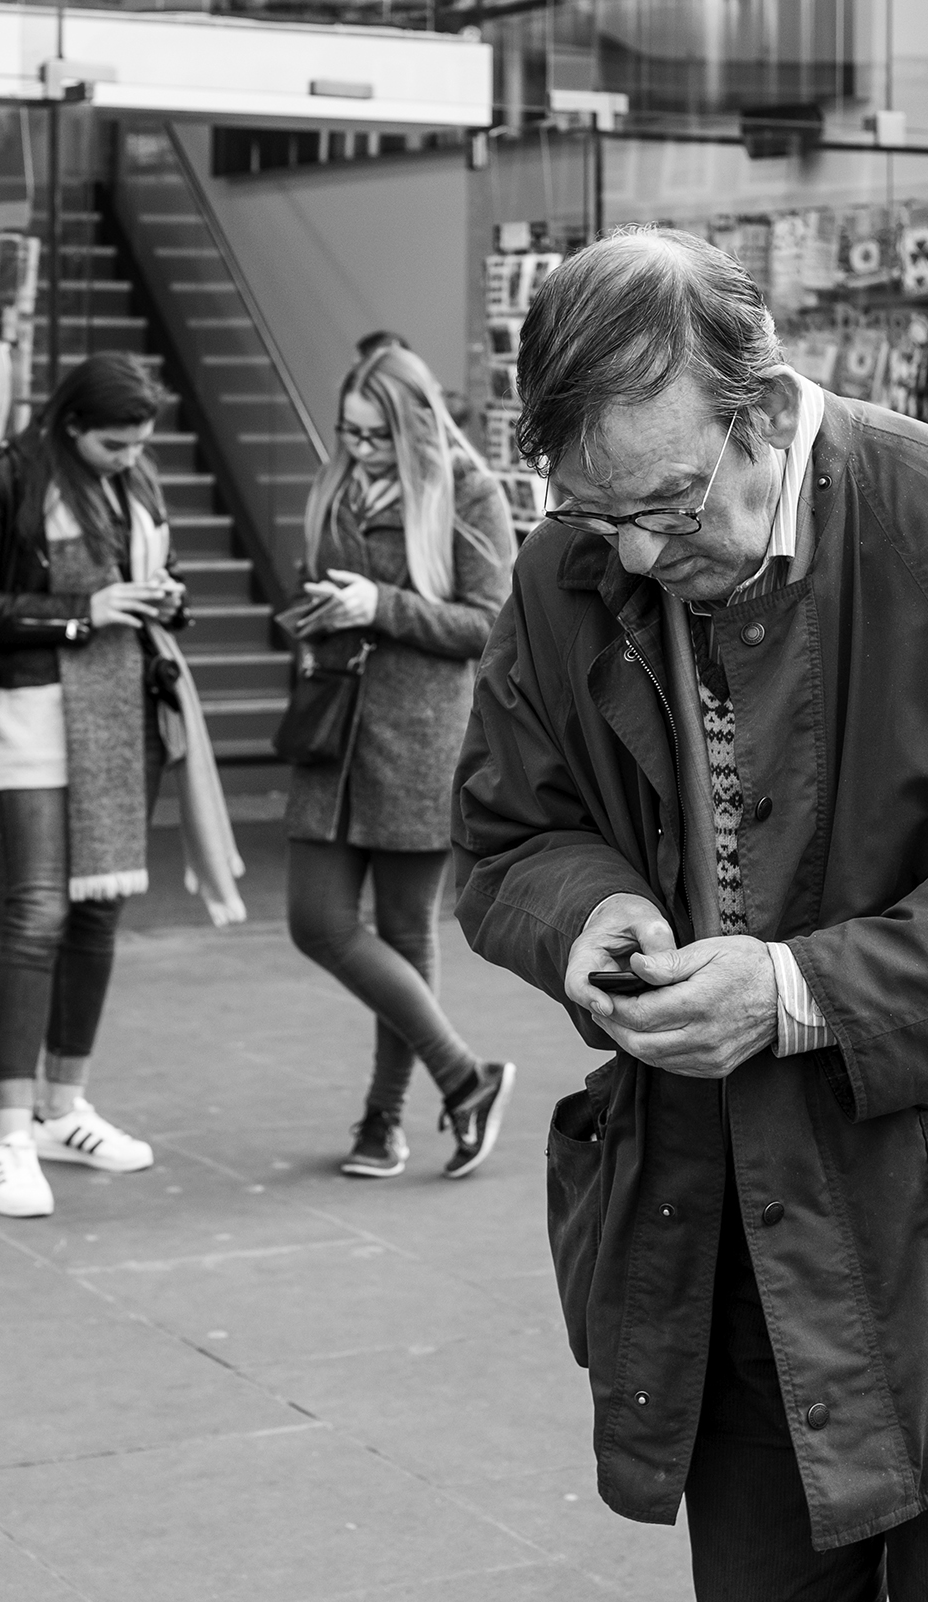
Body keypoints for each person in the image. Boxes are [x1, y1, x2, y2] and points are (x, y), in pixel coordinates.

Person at [451, 229, 928, 1599]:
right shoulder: (571, 569)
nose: (635, 547)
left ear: (761, 409)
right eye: (594, 511)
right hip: (726, 1255)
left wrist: (797, 989)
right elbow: (512, 833)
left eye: (672, 503)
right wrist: (591, 916)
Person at [0, 353, 193, 1220]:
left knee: (98, 909)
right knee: (39, 908)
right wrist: (81, 614)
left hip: (120, 710)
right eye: (114, 443)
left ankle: (62, 1103)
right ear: (71, 425)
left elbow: (144, 582)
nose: (128, 456)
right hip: (33, 711)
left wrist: (160, 601)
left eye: (139, 444)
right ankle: (11, 1128)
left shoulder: (137, 483)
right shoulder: (5, 478)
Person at [284, 345, 518, 1181]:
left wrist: (377, 604)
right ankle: (466, 1078)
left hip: (418, 736)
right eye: (347, 434)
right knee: (316, 921)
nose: (356, 449)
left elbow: (489, 624)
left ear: (415, 423)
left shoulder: (468, 490)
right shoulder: (335, 484)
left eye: (374, 436)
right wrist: (317, 610)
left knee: (403, 930)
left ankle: (383, 1123)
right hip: (333, 729)